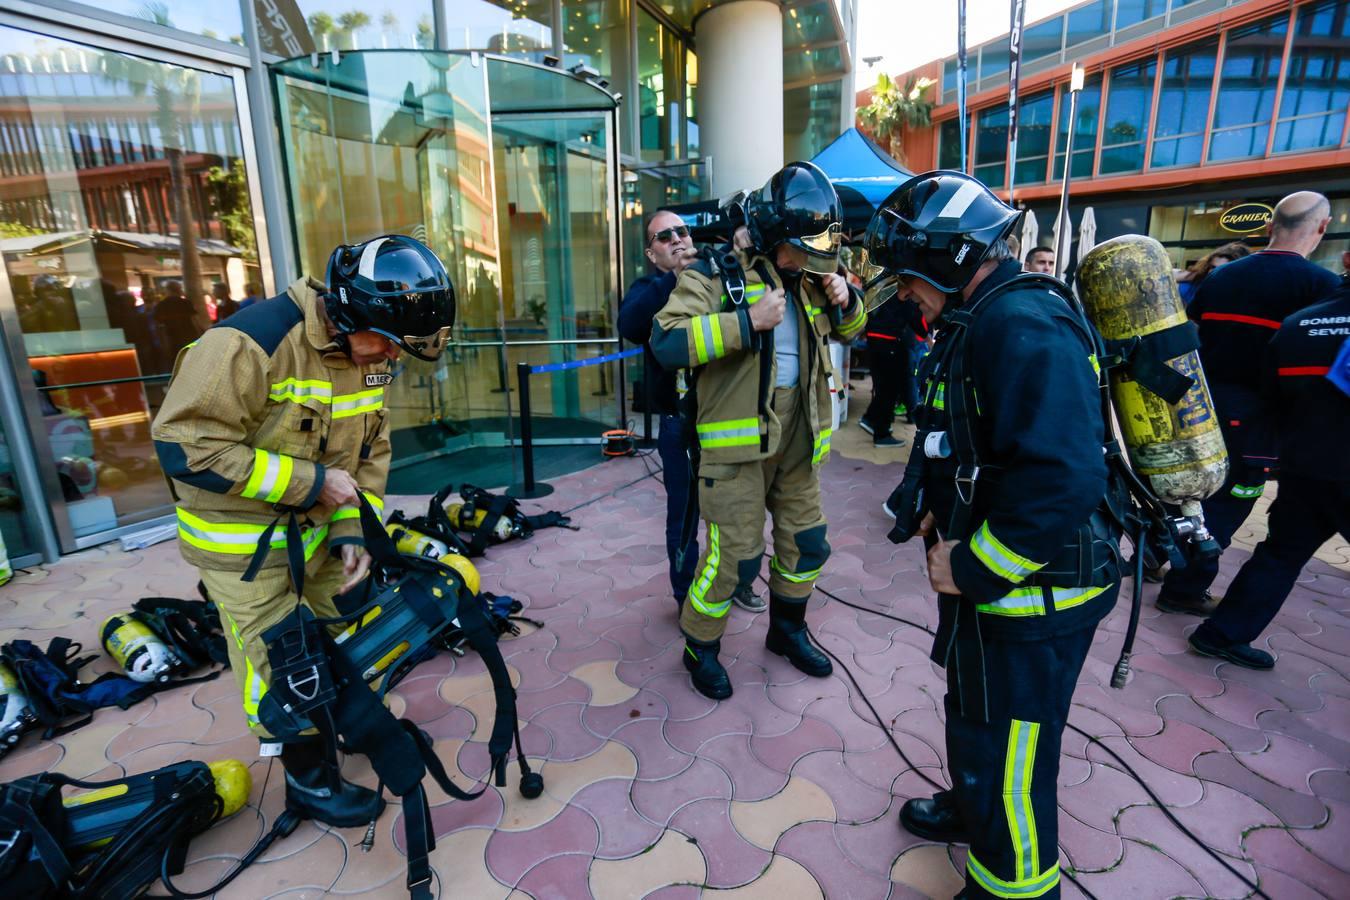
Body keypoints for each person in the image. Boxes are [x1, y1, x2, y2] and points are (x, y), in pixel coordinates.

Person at [865, 171, 1121, 900]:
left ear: (946, 257)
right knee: (978, 719)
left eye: (907, 273)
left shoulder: (1021, 326)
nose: (902, 288)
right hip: (999, 593)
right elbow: (958, 434)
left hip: (1033, 595)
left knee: (1012, 752)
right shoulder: (974, 318)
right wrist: (924, 500)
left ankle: (1014, 886)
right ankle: (972, 804)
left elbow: (1065, 480)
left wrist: (973, 566)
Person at [151, 234, 455, 827]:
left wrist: (348, 525)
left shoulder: (368, 351)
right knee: (284, 666)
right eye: (387, 344)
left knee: (335, 647)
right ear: (347, 315)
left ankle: (338, 726)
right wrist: (312, 483)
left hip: (317, 543)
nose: (389, 360)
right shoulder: (248, 344)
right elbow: (184, 448)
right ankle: (308, 782)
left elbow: (369, 450)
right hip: (240, 550)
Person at [651, 161, 867, 699]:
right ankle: (700, 648)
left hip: (798, 438)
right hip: (737, 450)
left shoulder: (813, 275)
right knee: (736, 559)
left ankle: (787, 632)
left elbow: (852, 328)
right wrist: (745, 324)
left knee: (806, 543)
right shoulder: (714, 272)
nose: (812, 262)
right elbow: (667, 341)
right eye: (803, 251)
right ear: (773, 235)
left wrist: (847, 297)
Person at [1157, 192, 1339, 615]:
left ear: (1270, 225)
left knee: (1189, 492)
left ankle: (1153, 558)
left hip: (1201, 404)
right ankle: (1184, 588)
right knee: (1229, 501)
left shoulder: (1223, 276)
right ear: (1323, 227)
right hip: (1259, 419)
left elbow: (1192, 339)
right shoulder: (1321, 287)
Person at [1187, 250, 1350, 669]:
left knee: (1280, 553)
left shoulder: (1300, 324)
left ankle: (1222, 633)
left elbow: (1272, 393)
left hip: (1304, 463)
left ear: (1345, 259)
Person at [618, 211, 765, 614]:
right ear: (652, 253)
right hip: (679, 427)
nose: (678, 239)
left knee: (739, 512)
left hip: (727, 423)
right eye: (665, 237)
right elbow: (629, 323)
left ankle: (739, 582)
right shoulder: (649, 287)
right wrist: (673, 278)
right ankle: (685, 595)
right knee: (684, 519)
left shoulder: (716, 275)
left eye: (682, 231)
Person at [857, 295, 908, 447]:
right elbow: (918, 321)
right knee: (888, 391)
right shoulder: (902, 291)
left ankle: (870, 419)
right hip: (890, 342)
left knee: (883, 389)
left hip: (874, 339)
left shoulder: (880, 288)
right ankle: (882, 434)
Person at [1176, 241, 1250, 305]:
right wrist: (1195, 274)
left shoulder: (1244, 298)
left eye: (1223, 269)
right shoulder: (1191, 287)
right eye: (1213, 267)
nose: (1216, 272)